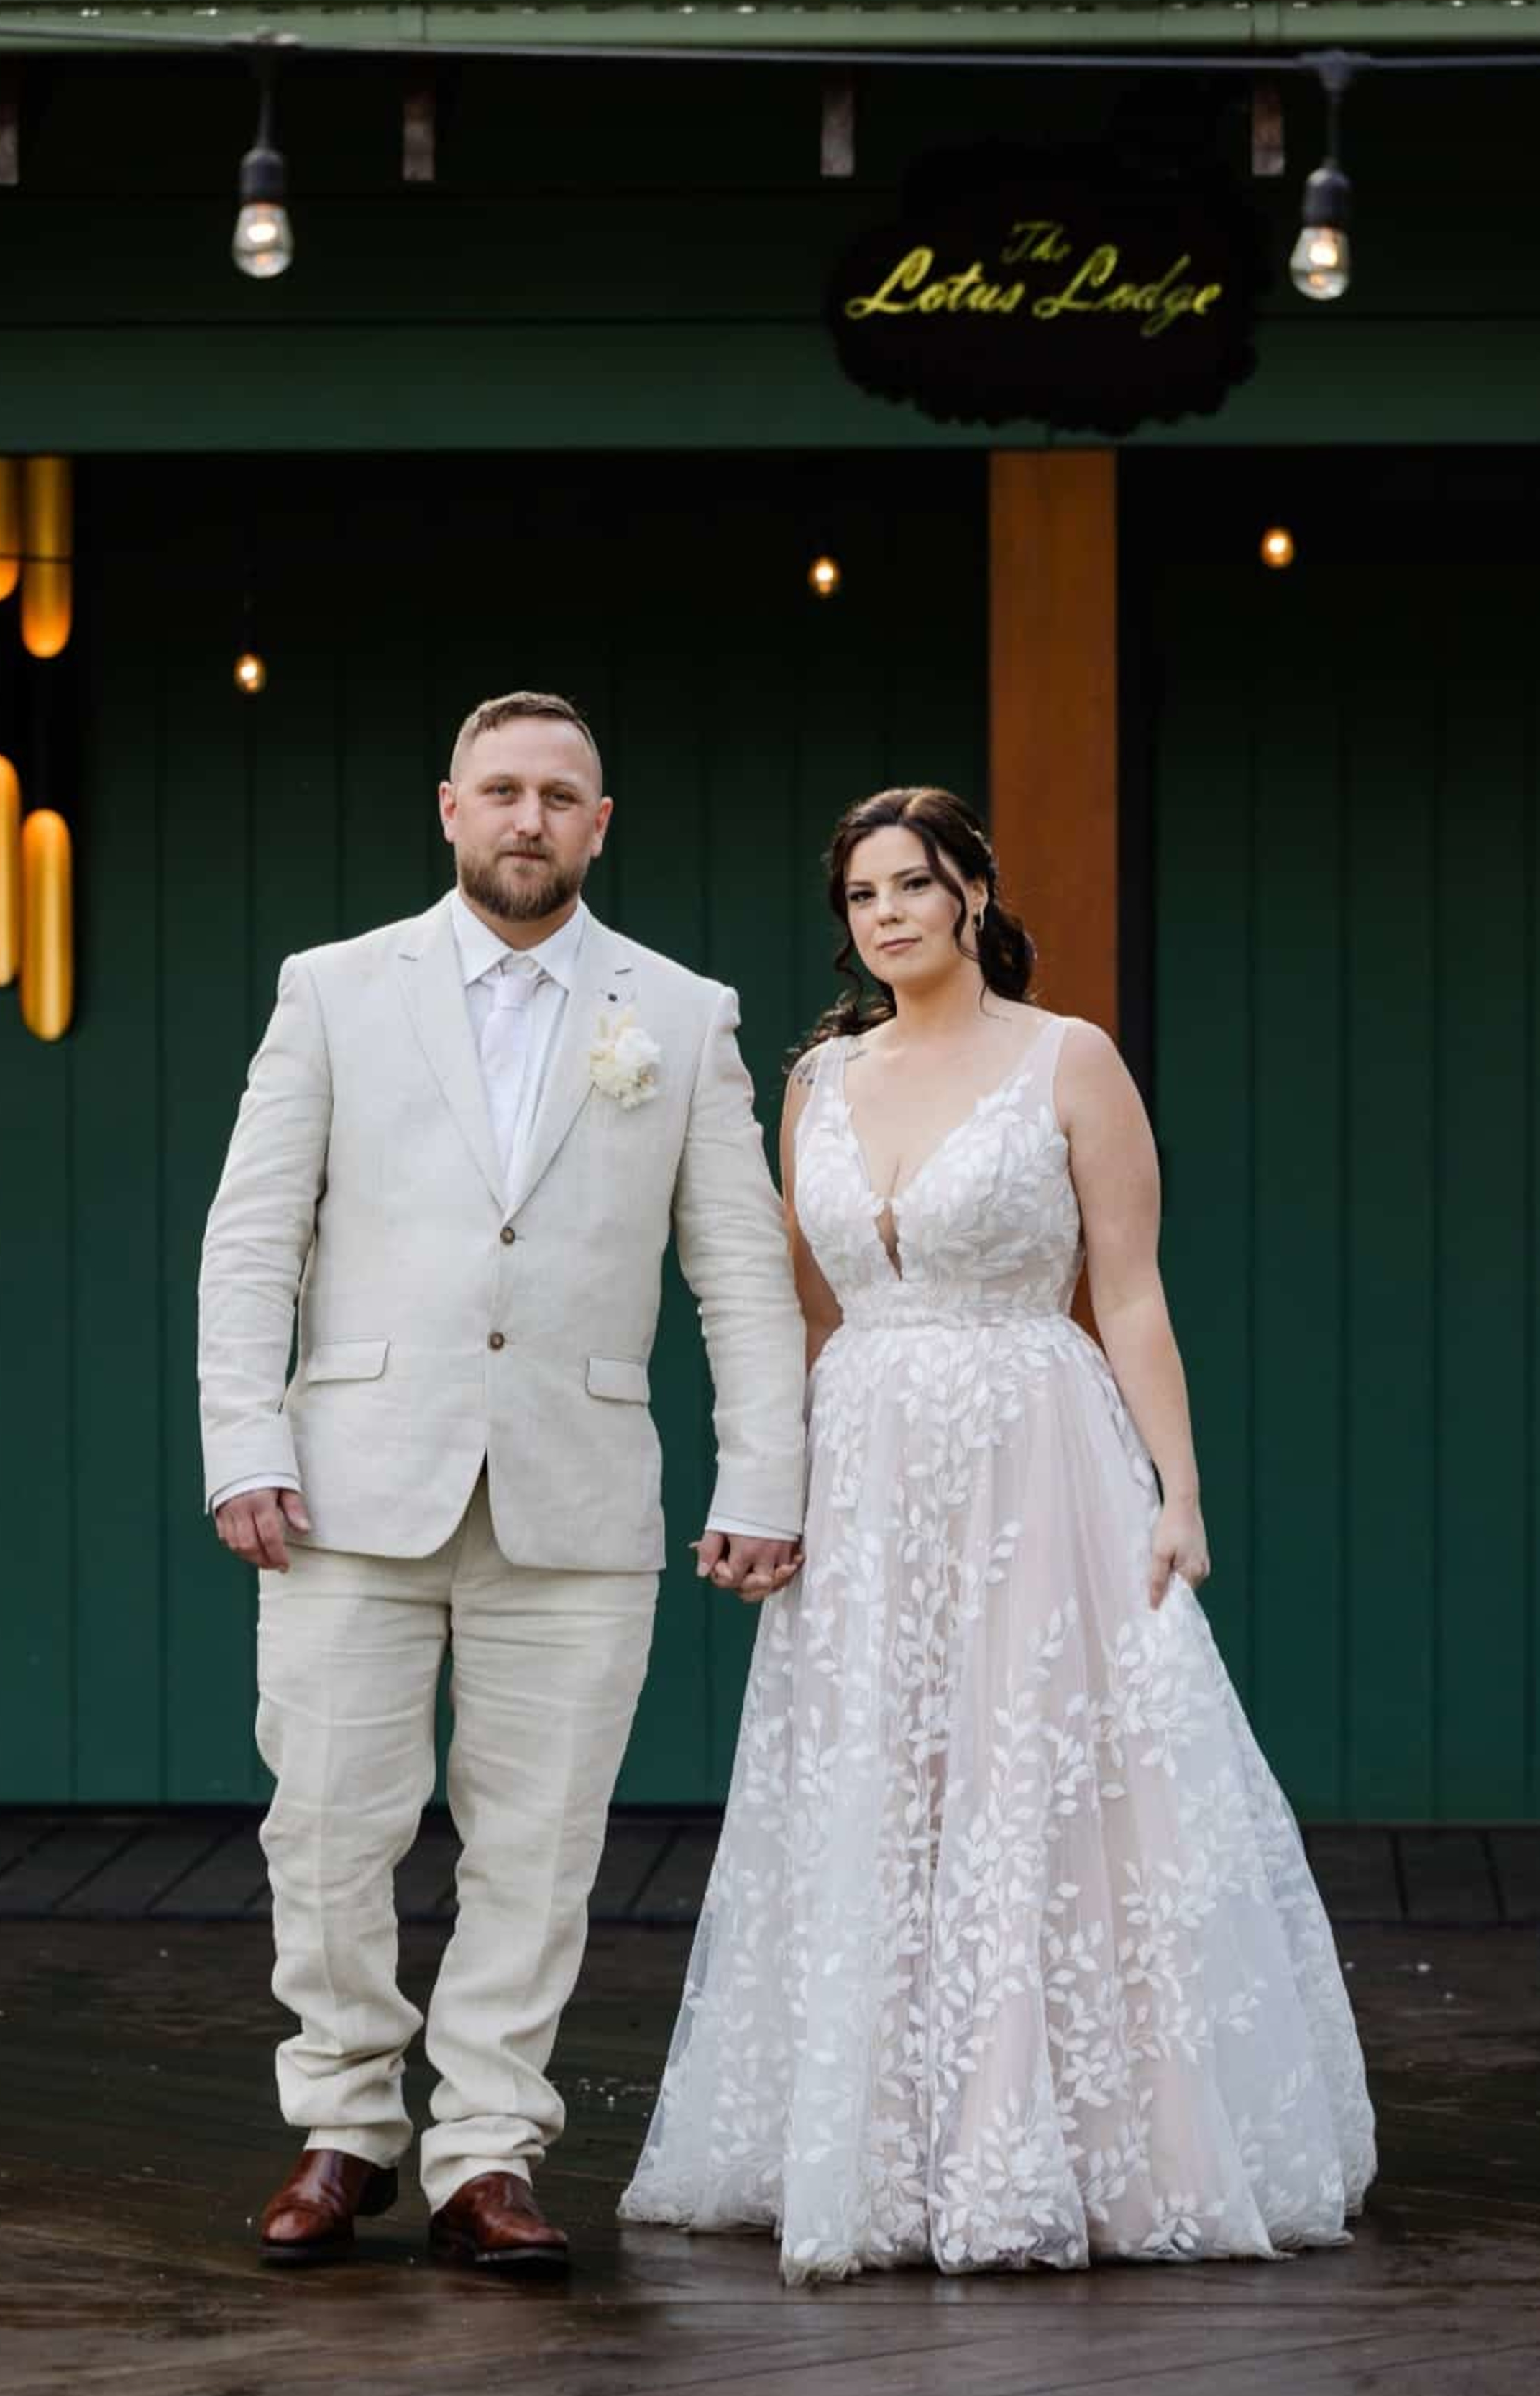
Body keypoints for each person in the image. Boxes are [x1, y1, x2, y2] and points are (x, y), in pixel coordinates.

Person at [620, 785, 1378, 2282]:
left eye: (915, 883)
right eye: (861, 896)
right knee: (881, 1783)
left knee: (1042, 1772)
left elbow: (1133, 1290)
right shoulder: (818, 1080)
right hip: (864, 1458)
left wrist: (1182, 1488)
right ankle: (880, 2144)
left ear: (974, 890)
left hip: (1038, 1453)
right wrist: (765, 1483)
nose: (889, 913)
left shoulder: (1067, 1060)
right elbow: (802, 1307)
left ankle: (1058, 2139)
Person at [198, 691, 807, 2273]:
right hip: (348, 1481)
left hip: (580, 1487)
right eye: (502, 791)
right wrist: (245, 1441)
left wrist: (765, 1472)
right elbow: (253, 1238)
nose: (528, 817)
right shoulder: (332, 990)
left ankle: (486, 2148)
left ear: (600, 825)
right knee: (325, 1827)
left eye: (561, 795)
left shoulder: (679, 1012)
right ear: (451, 810)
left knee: (539, 1843)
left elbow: (740, 1272)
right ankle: (343, 2125)